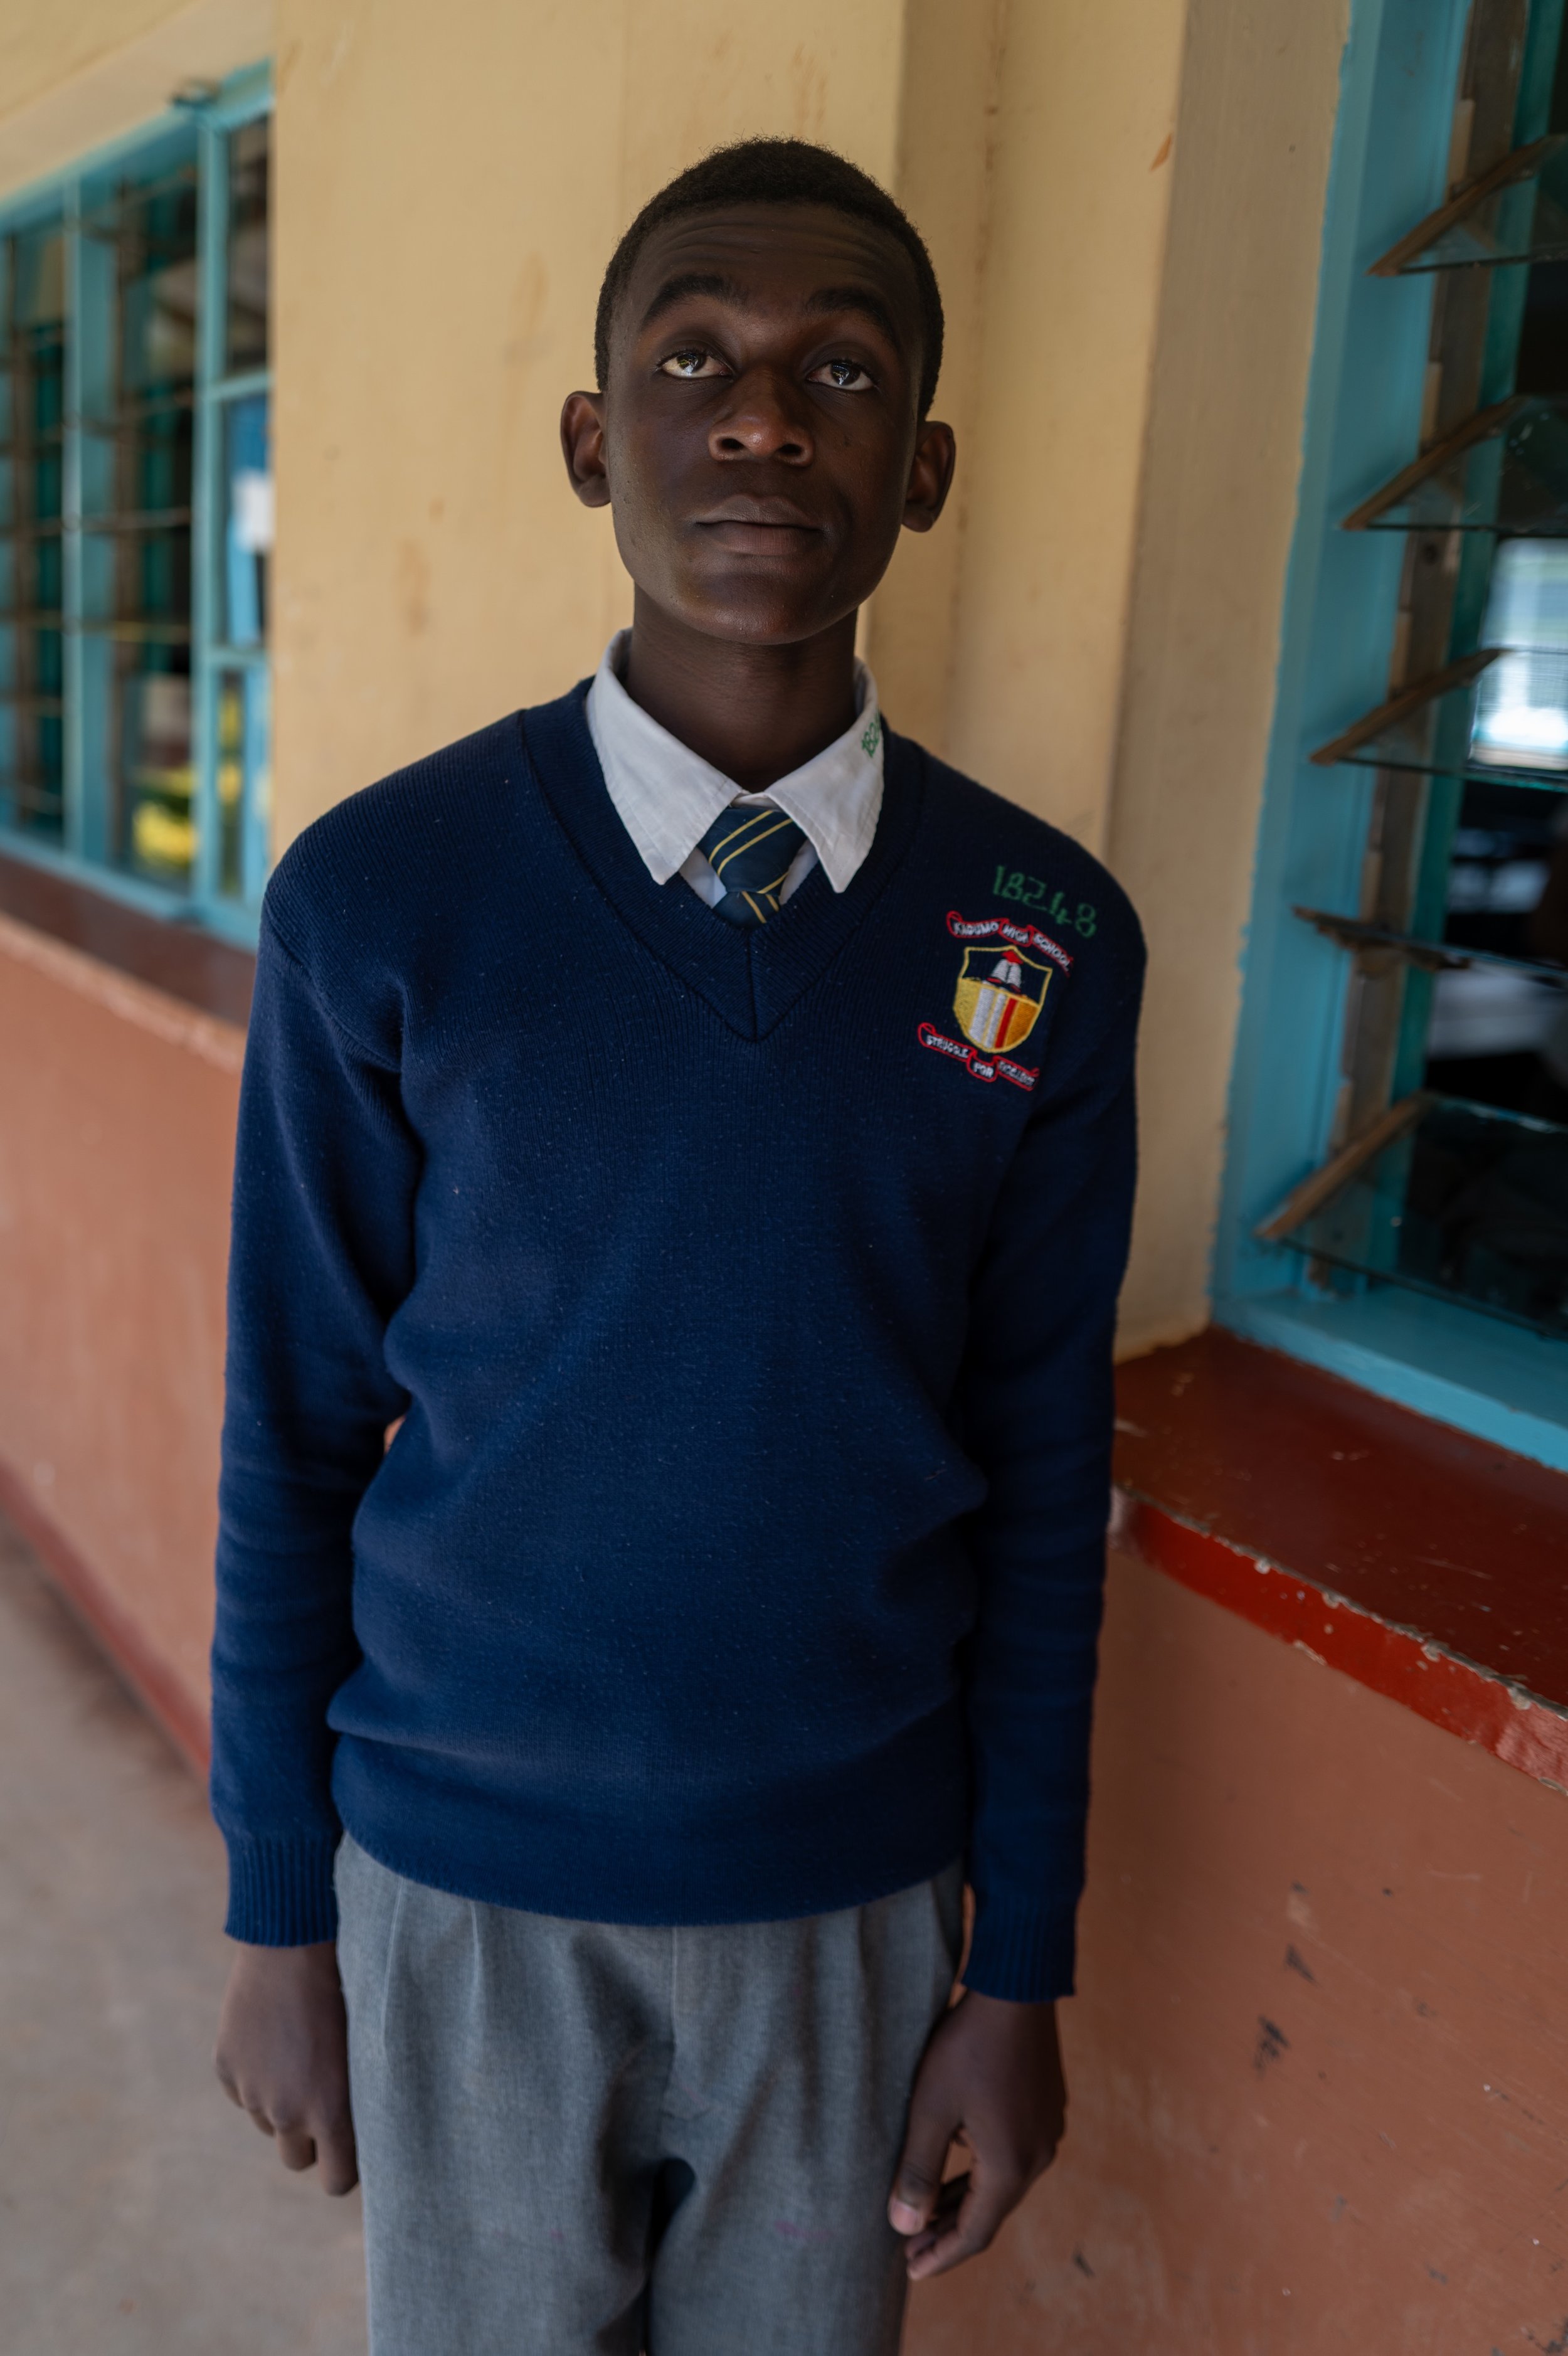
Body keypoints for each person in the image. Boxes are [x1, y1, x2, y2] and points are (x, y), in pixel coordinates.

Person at [210, 137, 1145, 2356]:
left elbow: (1037, 1477)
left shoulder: (1041, 936)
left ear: (917, 468)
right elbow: (293, 1428)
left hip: (843, 1907)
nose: (758, 415)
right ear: (589, 438)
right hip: (460, 1889)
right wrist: (278, 1912)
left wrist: (1015, 1970)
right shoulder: (384, 897)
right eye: (692, 356)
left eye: (837, 366)